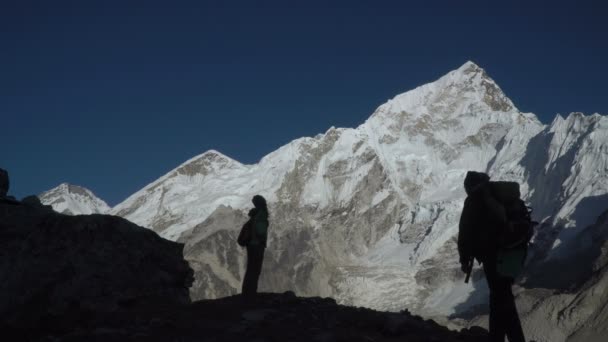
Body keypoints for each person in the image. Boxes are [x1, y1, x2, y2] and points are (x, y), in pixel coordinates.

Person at [458, 171, 526, 342]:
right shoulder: (496, 196)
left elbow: (464, 233)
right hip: (510, 253)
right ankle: (503, 337)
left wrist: (464, 259)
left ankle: (507, 338)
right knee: (502, 297)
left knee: (500, 298)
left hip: (492, 256)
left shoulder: (474, 200)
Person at [241, 194, 269, 299]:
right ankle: (251, 293)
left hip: (251, 245)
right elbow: (261, 230)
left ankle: (247, 292)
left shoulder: (254, 215)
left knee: (250, 269)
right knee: (255, 269)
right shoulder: (261, 215)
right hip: (257, 245)